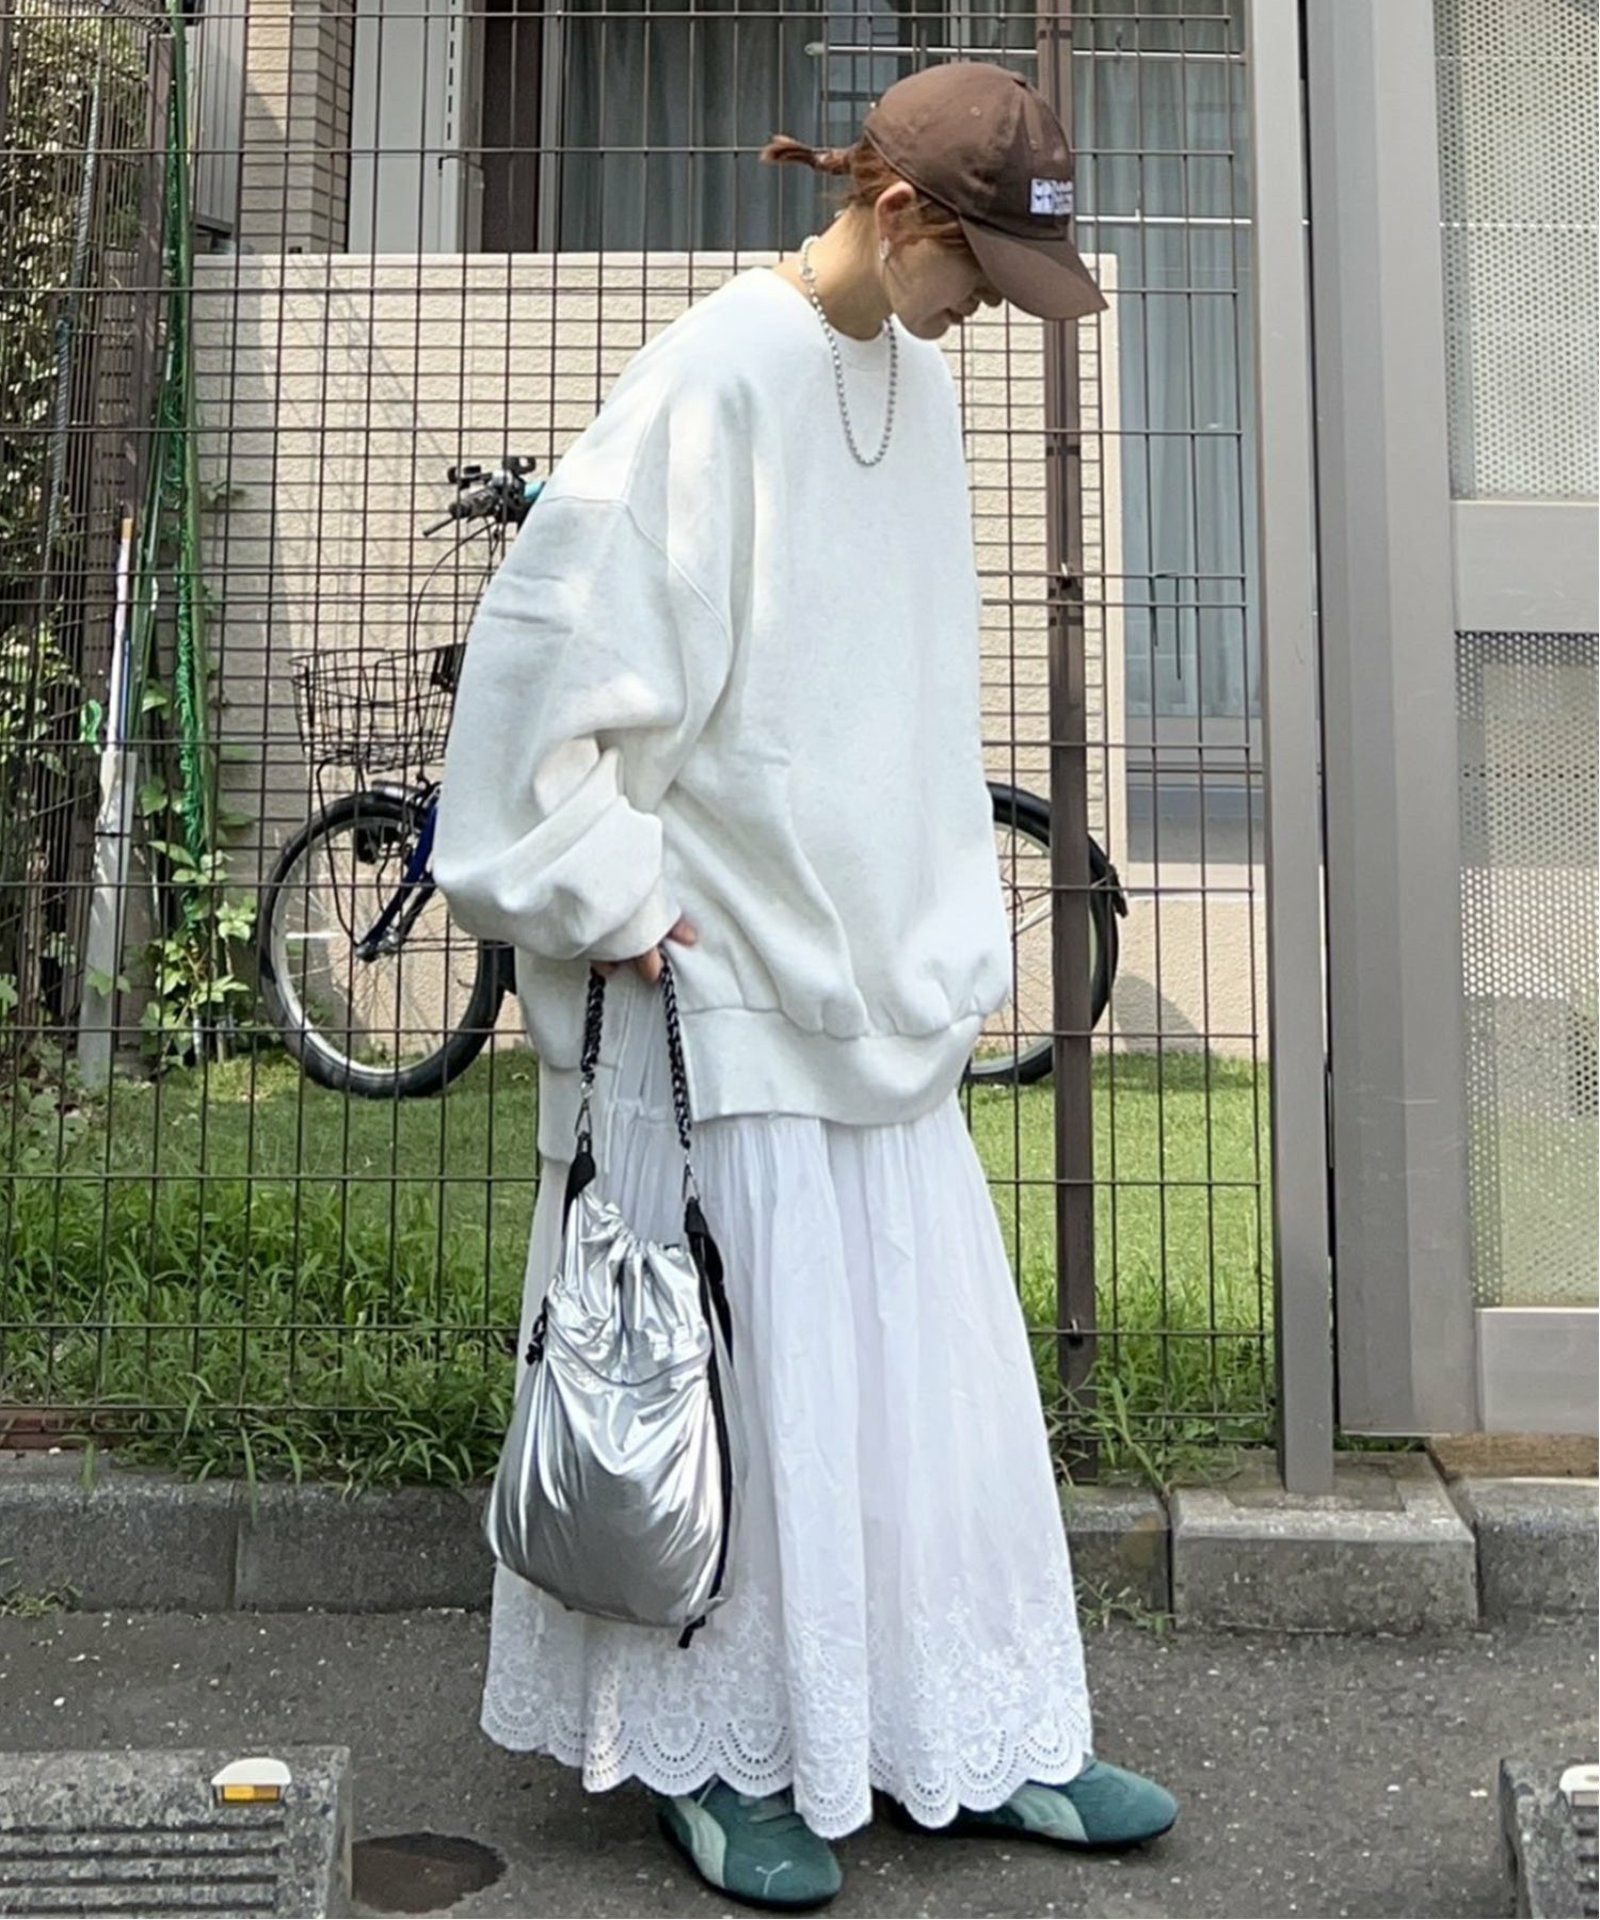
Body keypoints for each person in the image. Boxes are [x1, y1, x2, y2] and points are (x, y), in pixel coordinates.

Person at [432, 58, 1177, 1914]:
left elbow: (897, 690)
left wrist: (939, 915)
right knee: (728, 1383)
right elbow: (540, 659)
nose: (987, 316)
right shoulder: (713, 374)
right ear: (901, 213)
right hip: (713, 990)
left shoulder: (908, 381)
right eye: (981, 274)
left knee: (920, 1387)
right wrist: (602, 888)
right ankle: (709, 1756)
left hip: (878, 976)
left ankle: (969, 1732)